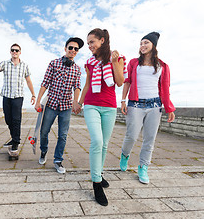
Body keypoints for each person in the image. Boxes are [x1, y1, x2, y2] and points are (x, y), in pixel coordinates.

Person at [75, 28, 125, 206]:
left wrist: (113, 62)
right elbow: (87, 83)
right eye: (88, 43)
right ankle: (96, 183)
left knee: (104, 144)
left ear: (102, 40)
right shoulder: (89, 63)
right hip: (91, 105)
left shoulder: (116, 57)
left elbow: (119, 82)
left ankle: (100, 173)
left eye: (92, 42)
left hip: (110, 107)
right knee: (97, 141)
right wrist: (79, 102)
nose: (89, 46)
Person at [120, 32, 175, 185]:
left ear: (153, 45)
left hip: (155, 105)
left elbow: (165, 88)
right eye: (141, 43)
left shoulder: (163, 66)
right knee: (131, 135)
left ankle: (143, 167)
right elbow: (127, 82)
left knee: (149, 139)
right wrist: (123, 100)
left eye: (146, 43)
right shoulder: (133, 63)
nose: (142, 46)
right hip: (135, 104)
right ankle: (125, 155)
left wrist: (169, 108)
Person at [35, 37, 83, 174]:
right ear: (65, 49)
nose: (73, 50)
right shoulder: (54, 63)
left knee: (63, 135)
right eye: (71, 48)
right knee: (44, 132)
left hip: (66, 107)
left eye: (76, 49)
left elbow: (77, 87)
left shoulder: (77, 69)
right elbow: (45, 83)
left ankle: (58, 160)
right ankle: (43, 151)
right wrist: (38, 101)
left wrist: (76, 102)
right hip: (51, 104)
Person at [0, 43, 35, 153]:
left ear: (20, 52)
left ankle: (16, 142)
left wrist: (33, 94)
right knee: (8, 119)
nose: (14, 52)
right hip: (6, 96)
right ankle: (14, 139)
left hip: (18, 96)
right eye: (12, 50)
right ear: (10, 52)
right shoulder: (5, 63)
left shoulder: (24, 65)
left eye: (17, 50)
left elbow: (28, 81)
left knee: (16, 120)